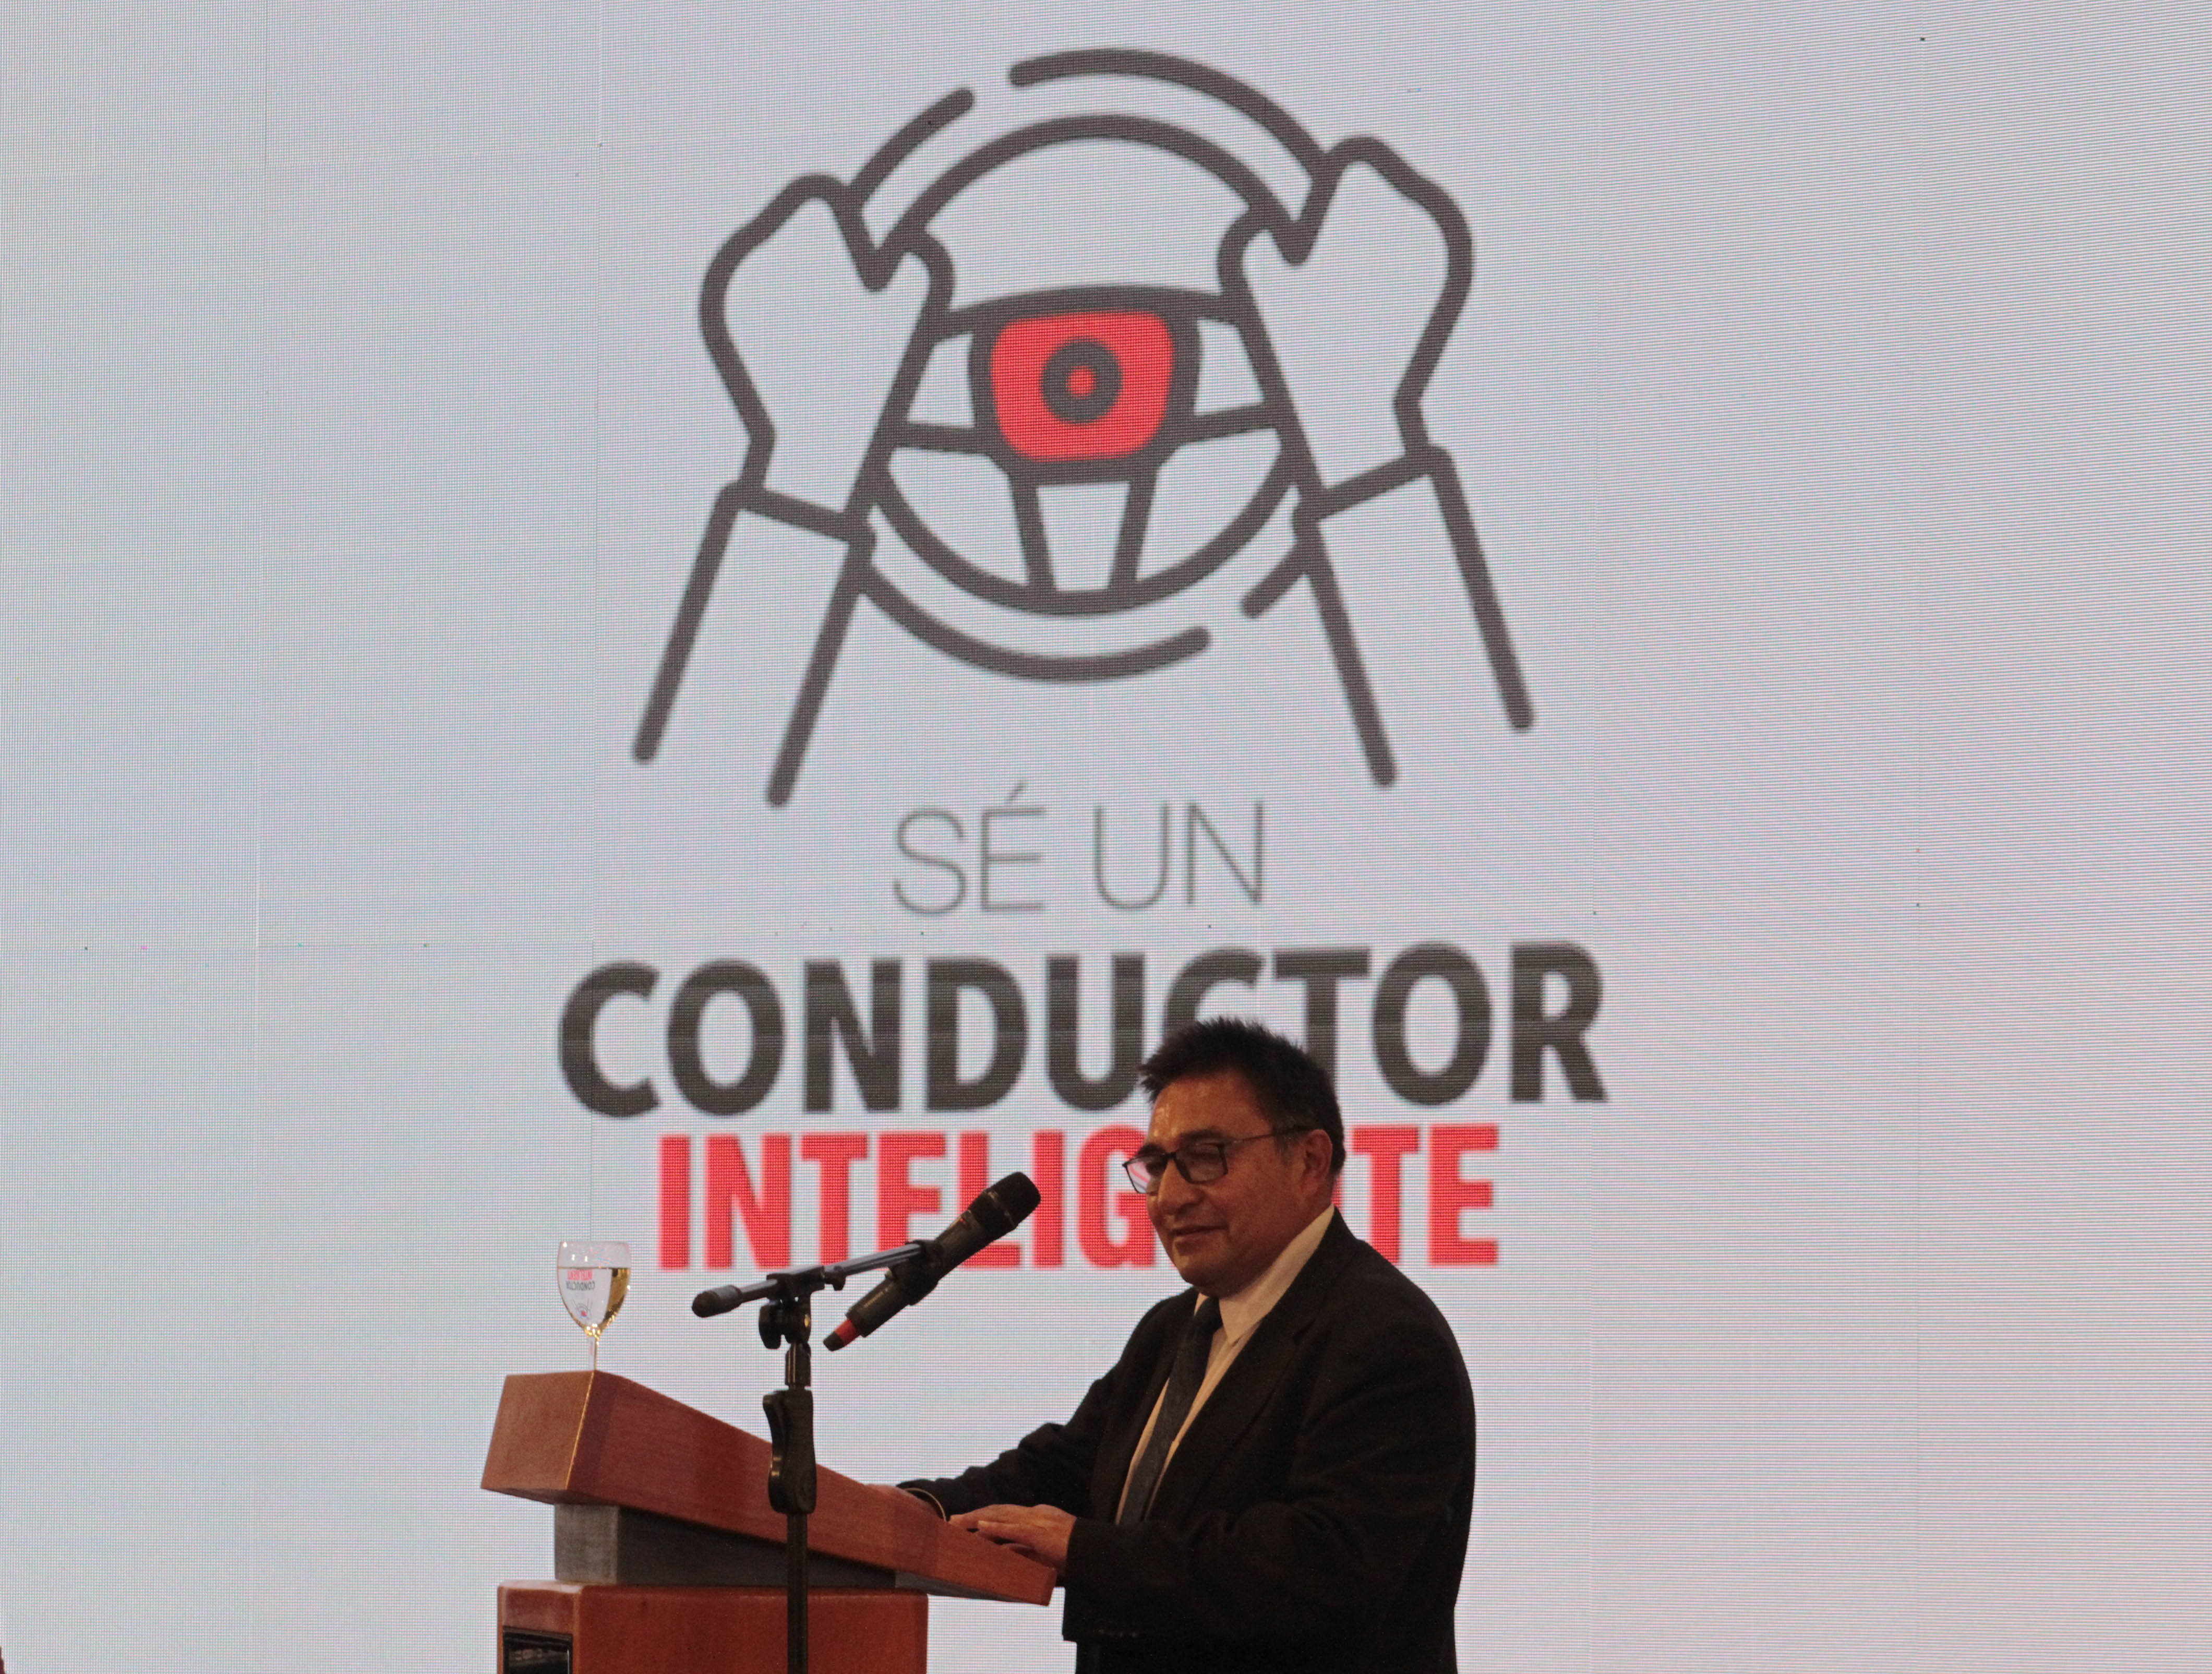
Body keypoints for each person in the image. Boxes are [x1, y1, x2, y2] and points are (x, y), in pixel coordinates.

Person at [894, 1018, 1477, 1673]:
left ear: (1310, 1162)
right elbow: (1059, 1472)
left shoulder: (1385, 1337)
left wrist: (1086, 1551)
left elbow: (1321, 1567)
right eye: (1156, 1165)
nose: (1168, 1198)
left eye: (1206, 1156)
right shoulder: (1173, 1328)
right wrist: (911, 1512)